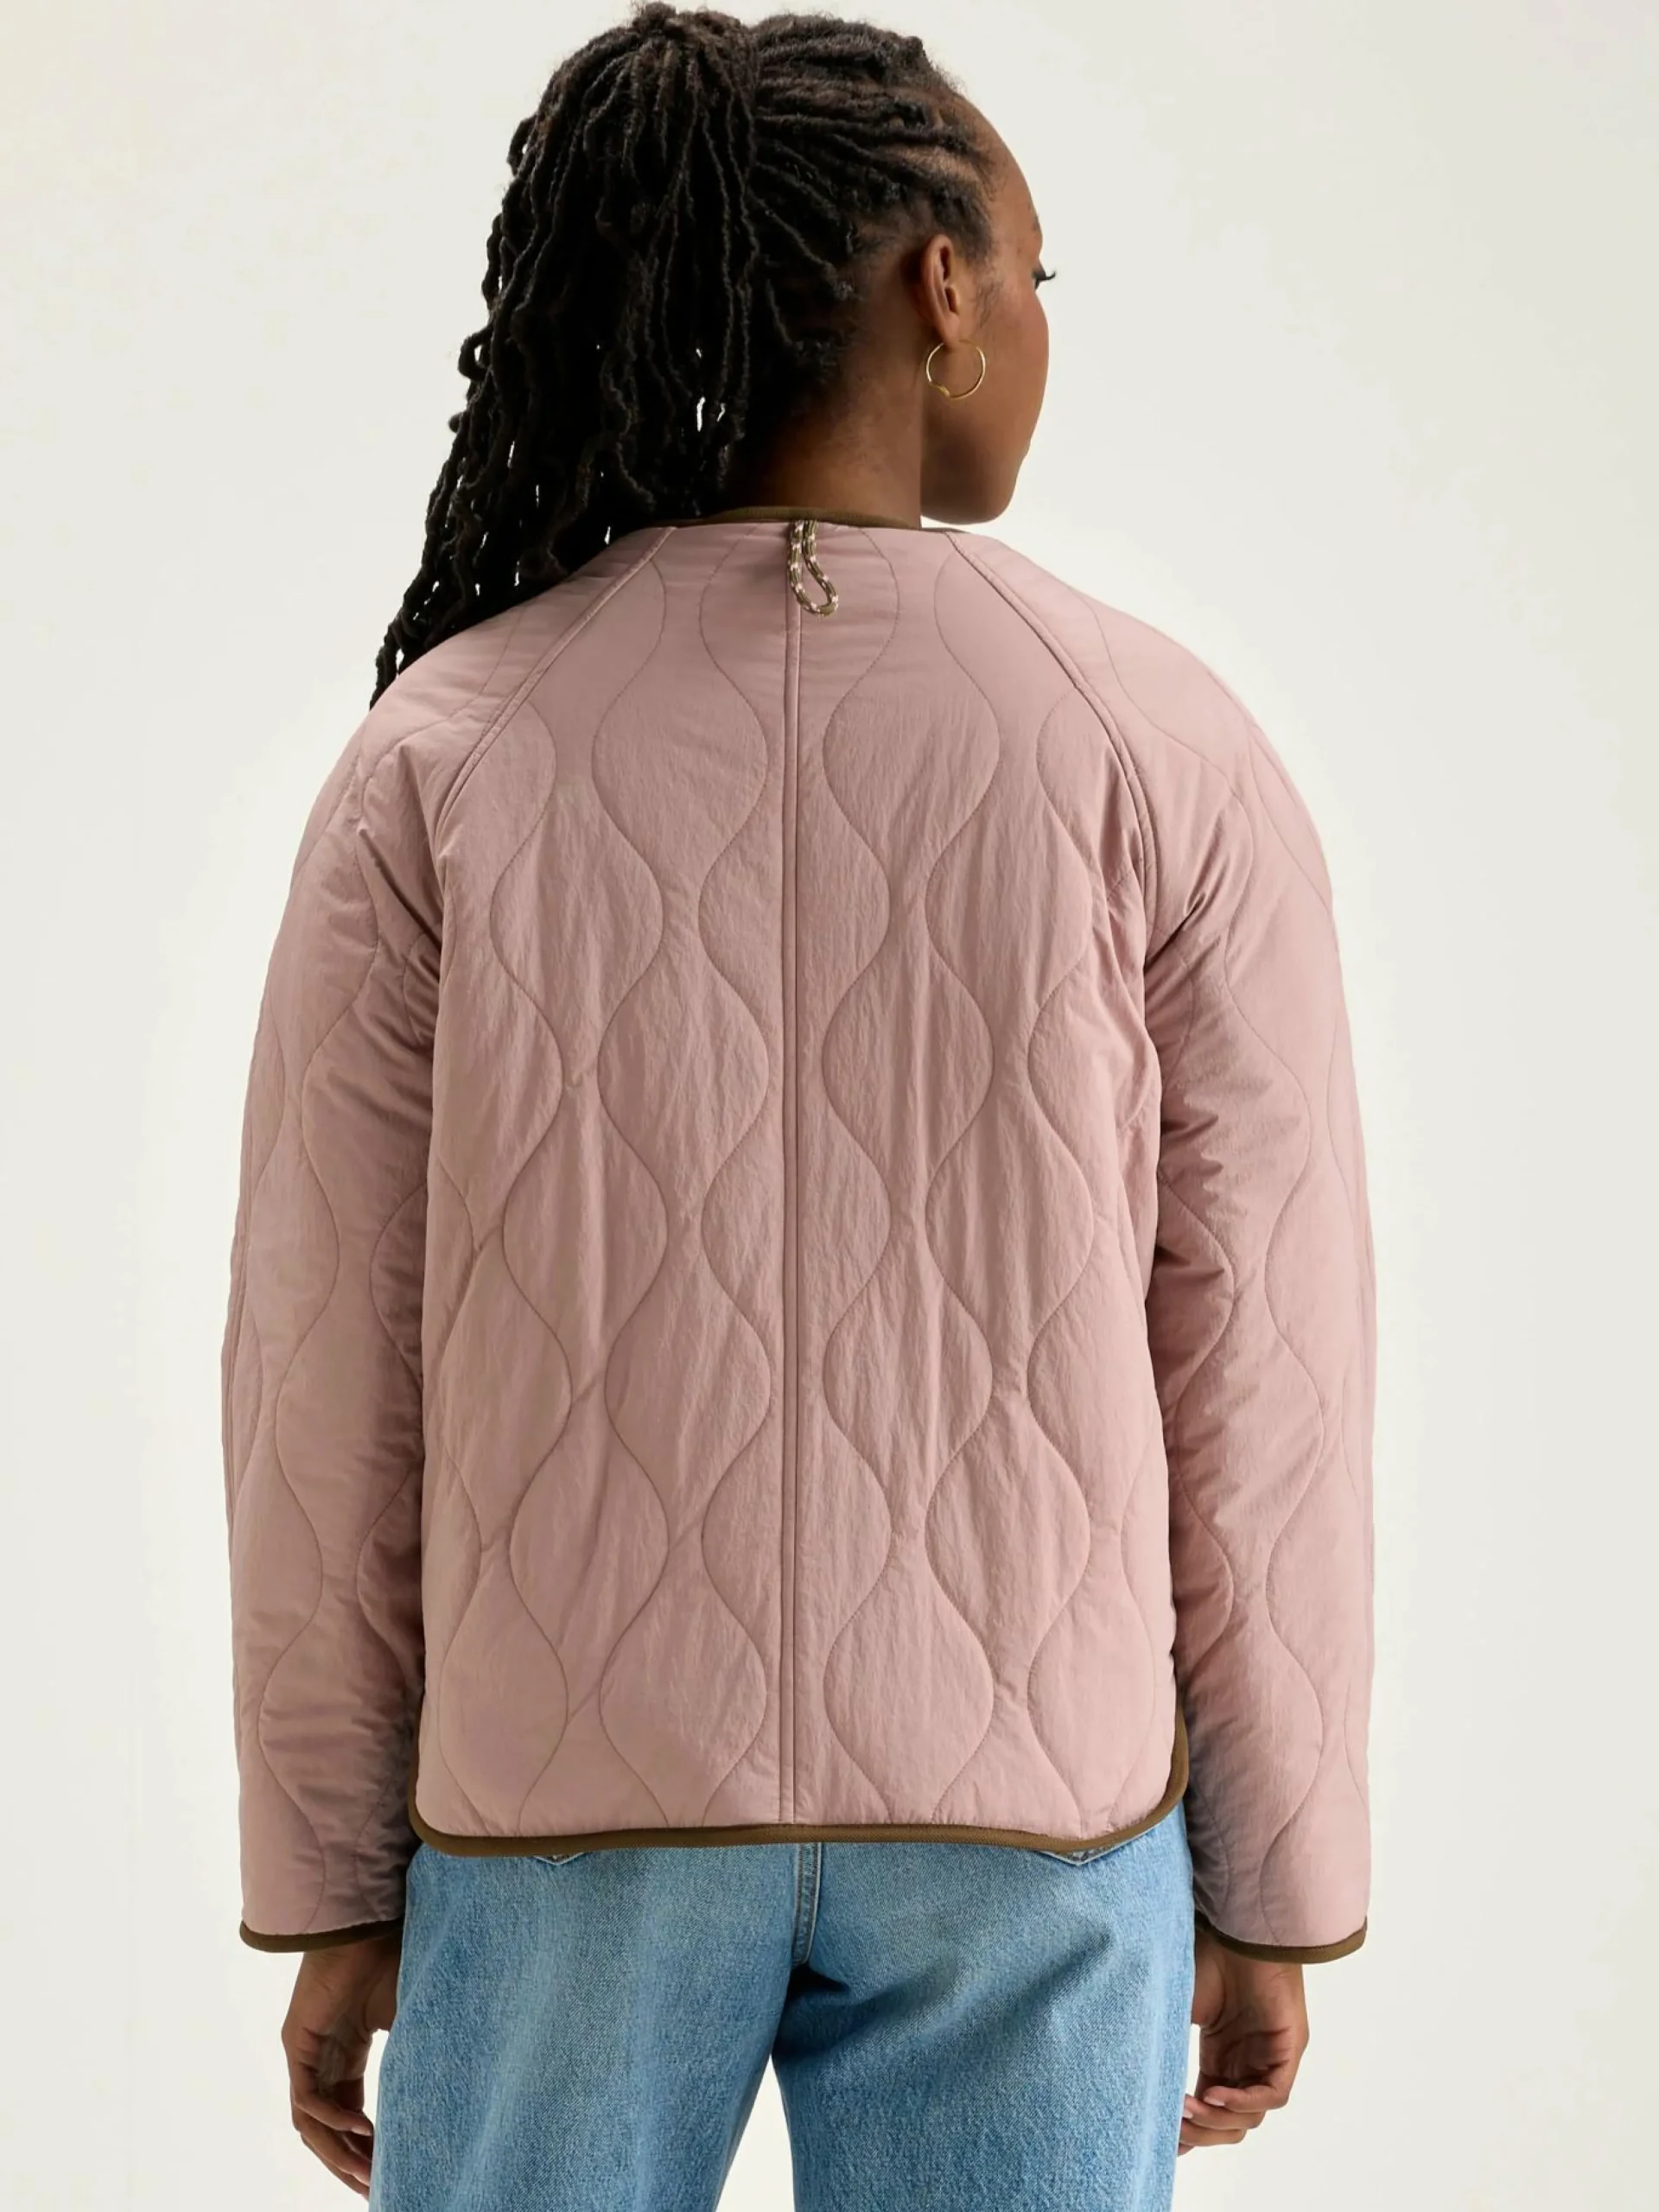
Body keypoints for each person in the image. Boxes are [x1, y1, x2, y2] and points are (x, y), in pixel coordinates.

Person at [217, 6, 1376, 2206]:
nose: (1036, 324)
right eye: (1034, 273)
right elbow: (1265, 1352)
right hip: (1040, 1816)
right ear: (943, 289)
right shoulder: (1161, 742)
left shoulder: (446, 753)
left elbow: (321, 1369)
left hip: (559, 1808)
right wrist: (1276, 1868)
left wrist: (337, 1872)